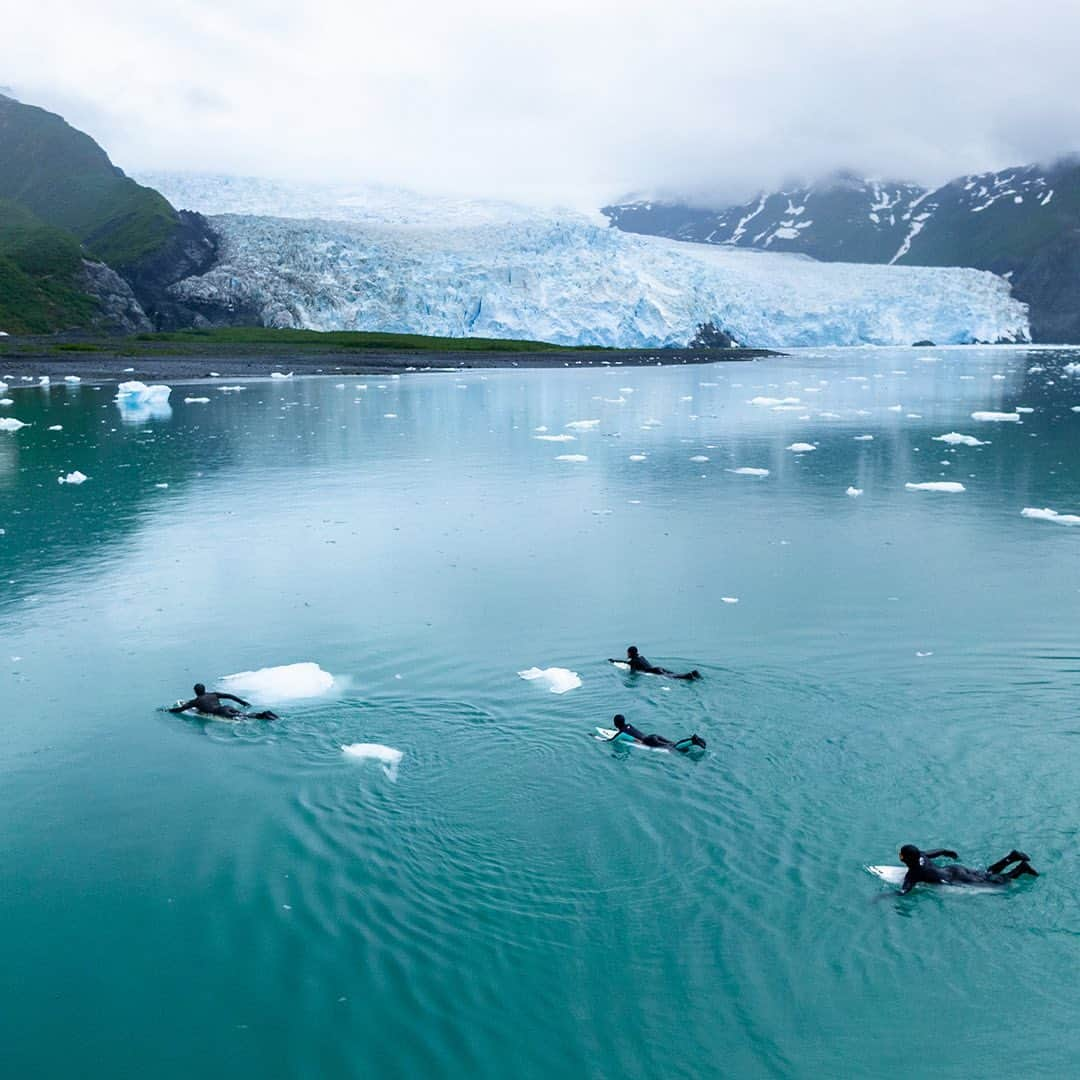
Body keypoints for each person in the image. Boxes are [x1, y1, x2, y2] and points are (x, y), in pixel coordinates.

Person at [897, 845, 1038, 894]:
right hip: (955, 869)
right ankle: (1012, 857)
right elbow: (937, 851)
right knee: (987, 873)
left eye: (901, 855)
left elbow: (905, 889)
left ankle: (1020, 870)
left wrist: (887, 896)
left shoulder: (913, 873)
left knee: (997, 884)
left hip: (957, 878)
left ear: (907, 859)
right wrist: (948, 852)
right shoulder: (921, 854)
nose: (900, 855)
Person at [169, 683, 279, 721]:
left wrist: (167, 710)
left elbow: (180, 709)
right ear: (204, 689)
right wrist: (243, 702)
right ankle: (264, 714)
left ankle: (264, 715)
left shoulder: (195, 701)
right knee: (244, 715)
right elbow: (230, 696)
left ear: (195, 692)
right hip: (226, 707)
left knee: (243, 717)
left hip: (221, 713)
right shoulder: (213, 694)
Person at [608, 713, 706, 752]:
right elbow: (630, 733)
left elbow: (612, 740)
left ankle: (692, 741)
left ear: (615, 723)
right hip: (653, 736)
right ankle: (692, 740)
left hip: (650, 741)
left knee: (673, 748)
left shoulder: (622, 732)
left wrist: (597, 737)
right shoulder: (628, 726)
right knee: (673, 743)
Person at [608, 645, 701, 680]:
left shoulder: (633, 662)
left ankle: (688, 676)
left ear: (630, 653)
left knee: (674, 677)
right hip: (657, 668)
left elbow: (632, 672)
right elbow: (625, 662)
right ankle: (693, 674)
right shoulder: (641, 657)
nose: (627, 654)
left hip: (654, 671)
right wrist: (615, 660)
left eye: (627, 652)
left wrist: (613, 661)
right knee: (675, 674)